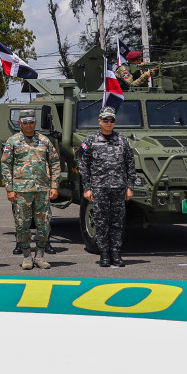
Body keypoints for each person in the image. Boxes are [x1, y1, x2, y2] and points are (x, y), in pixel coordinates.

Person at [78, 105, 136, 268]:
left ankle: (116, 253)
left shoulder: (123, 140)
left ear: (115, 122)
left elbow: (130, 164)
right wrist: (87, 188)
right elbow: (83, 165)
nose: (109, 122)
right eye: (106, 120)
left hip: (119, 187)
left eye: (111, 120)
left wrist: (130, 186)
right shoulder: (90, 140)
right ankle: (104, 253)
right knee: (101, 221)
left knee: (117, 222)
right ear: (99, 121)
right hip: (99, 188)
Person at [3, 109, 61, 270]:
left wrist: (54, 185)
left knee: (44, 224)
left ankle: (40, 256)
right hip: (21, 190)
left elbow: (55, 163)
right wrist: (9, 189)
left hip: (42, 189)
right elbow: (6, 165)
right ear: (20, 123)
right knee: (22, 224)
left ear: (35, 122)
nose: (28, 125)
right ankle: (27, 256)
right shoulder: (12, 141)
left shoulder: (44, 141)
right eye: (25, 122)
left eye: (31, 122)